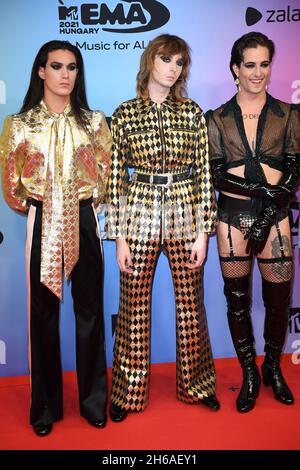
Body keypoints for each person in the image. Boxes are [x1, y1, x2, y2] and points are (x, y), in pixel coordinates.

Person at [0, 40, 112, 435]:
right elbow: (12, 190)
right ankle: (45, 407)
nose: (66, 75)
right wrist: (41, 205)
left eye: (73, 67)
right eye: (57, 66)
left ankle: (94, 401)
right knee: (43, 315)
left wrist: (83, 205)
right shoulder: (18, 124)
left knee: (91, 311)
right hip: (43, 219)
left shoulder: (96, 122)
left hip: (84, 219)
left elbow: (105, 180)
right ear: (41, 71)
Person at [106, 34, 219, 423]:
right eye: (167, 59)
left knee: (191, 305)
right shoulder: (124, 114)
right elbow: (116, 180)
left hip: (186, 207)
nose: (173, 68)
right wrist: (118, 235)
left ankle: (198, 385)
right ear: (150, 60)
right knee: (133, 306)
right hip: (138, 208)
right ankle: (126, 392)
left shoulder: (191, 113)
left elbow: (204, 173)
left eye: (180, 63)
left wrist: (204, 231)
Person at [206, 31, 300, 413]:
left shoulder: (289, 114)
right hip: (232, 219)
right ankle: (249, 373)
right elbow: (216, 175)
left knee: (278, 302)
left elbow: (294, 167)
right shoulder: (217, 118)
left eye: (264, 64)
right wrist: (266, 195)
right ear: (235, 68)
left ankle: (272, 368)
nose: (258, 72)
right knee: (237, 301)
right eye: (250, 65)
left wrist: (274, 204)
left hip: (276, 221)